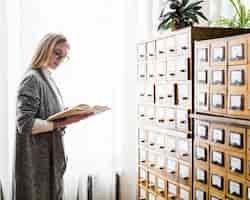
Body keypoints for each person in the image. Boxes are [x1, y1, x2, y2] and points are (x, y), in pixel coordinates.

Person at [13, 33, 93, 200]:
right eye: (57, 53)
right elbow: (25, 123)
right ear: (45, 48)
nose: (59, 59)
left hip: (50, 158)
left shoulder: (47, 77)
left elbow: (47, 113)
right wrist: (62, 122)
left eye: (63, 56)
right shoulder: (32, 79)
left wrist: (67, 113)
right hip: (37, 162)